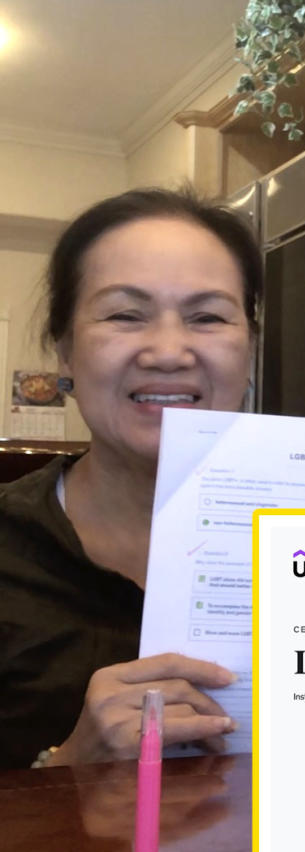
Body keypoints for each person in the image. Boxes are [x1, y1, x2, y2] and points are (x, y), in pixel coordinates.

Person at [0, 188, 263, 769]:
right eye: (125, 314)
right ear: (65, 351)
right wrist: (68, 768)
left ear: (248, 348)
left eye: (207, 317)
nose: (169, 352)